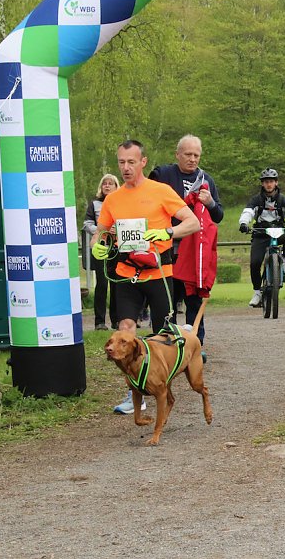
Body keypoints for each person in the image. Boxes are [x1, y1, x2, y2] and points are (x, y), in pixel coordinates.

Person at [91, 140, 200, 414]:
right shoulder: (113, 199)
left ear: (143, 162)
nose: (126, 168)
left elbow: (192, 222)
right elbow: (102, 232)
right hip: (127, 274)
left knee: (163, 334)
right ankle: (133, 391)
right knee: (126, 329)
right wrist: (99, 245)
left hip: (159, 273)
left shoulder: (161, 191)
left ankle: (165, 382)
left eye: (131, 162)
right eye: (121, 162)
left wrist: (168, 233)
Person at [149, 135, 223, 349]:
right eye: (188, 154)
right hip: (166, 247)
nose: (192, 159)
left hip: (194, 252)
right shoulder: (163, 174)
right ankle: (166, 346)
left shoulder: (206, 179)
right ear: (177, 154)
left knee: (194, 300)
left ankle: (195, 347)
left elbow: (218, 216)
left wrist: (209, 202)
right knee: (167, 301)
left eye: (196, 155)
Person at [239, 168, 285, 307]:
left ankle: (283, 260)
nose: (268, 184)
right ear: (262, 184)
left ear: (276, 183)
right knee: (254, 263)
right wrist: (243, 223)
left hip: (279, 230)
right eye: (266, 182)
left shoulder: (283, 199)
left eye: (271, 181)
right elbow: (247, 212)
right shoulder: (256, 200)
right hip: (261, 233)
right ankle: (257, 292)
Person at [82, 174, 120, 331]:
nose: (107, 186)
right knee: (102, 284)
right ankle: (99, 322)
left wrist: (117, 228)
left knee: (117, 285)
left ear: (116, 186)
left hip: (118, 247)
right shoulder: (94, 204)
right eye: (104, 183)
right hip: (101, 247)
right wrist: (101, 230)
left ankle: (117, 321)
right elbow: (87, 223)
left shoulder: (122, 201)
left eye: (111, 183)